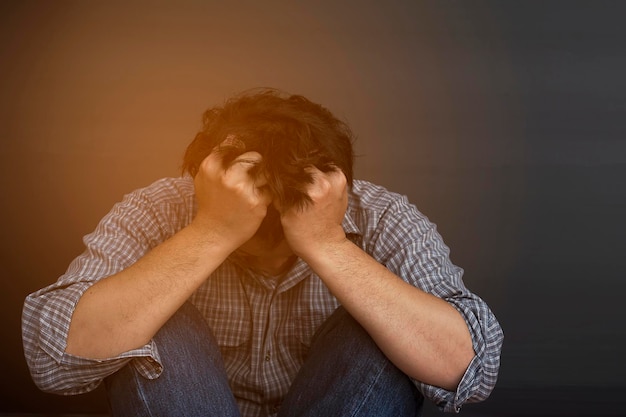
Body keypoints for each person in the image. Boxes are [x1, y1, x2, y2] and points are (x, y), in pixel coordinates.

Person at [22, 89, 503, 417]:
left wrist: (326, 244)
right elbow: (51, 360)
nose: (266, 251)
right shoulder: (158, 208)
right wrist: (212, 231)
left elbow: (473, 371)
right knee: (148, 311)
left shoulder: (382, 216)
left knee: (388, 318)